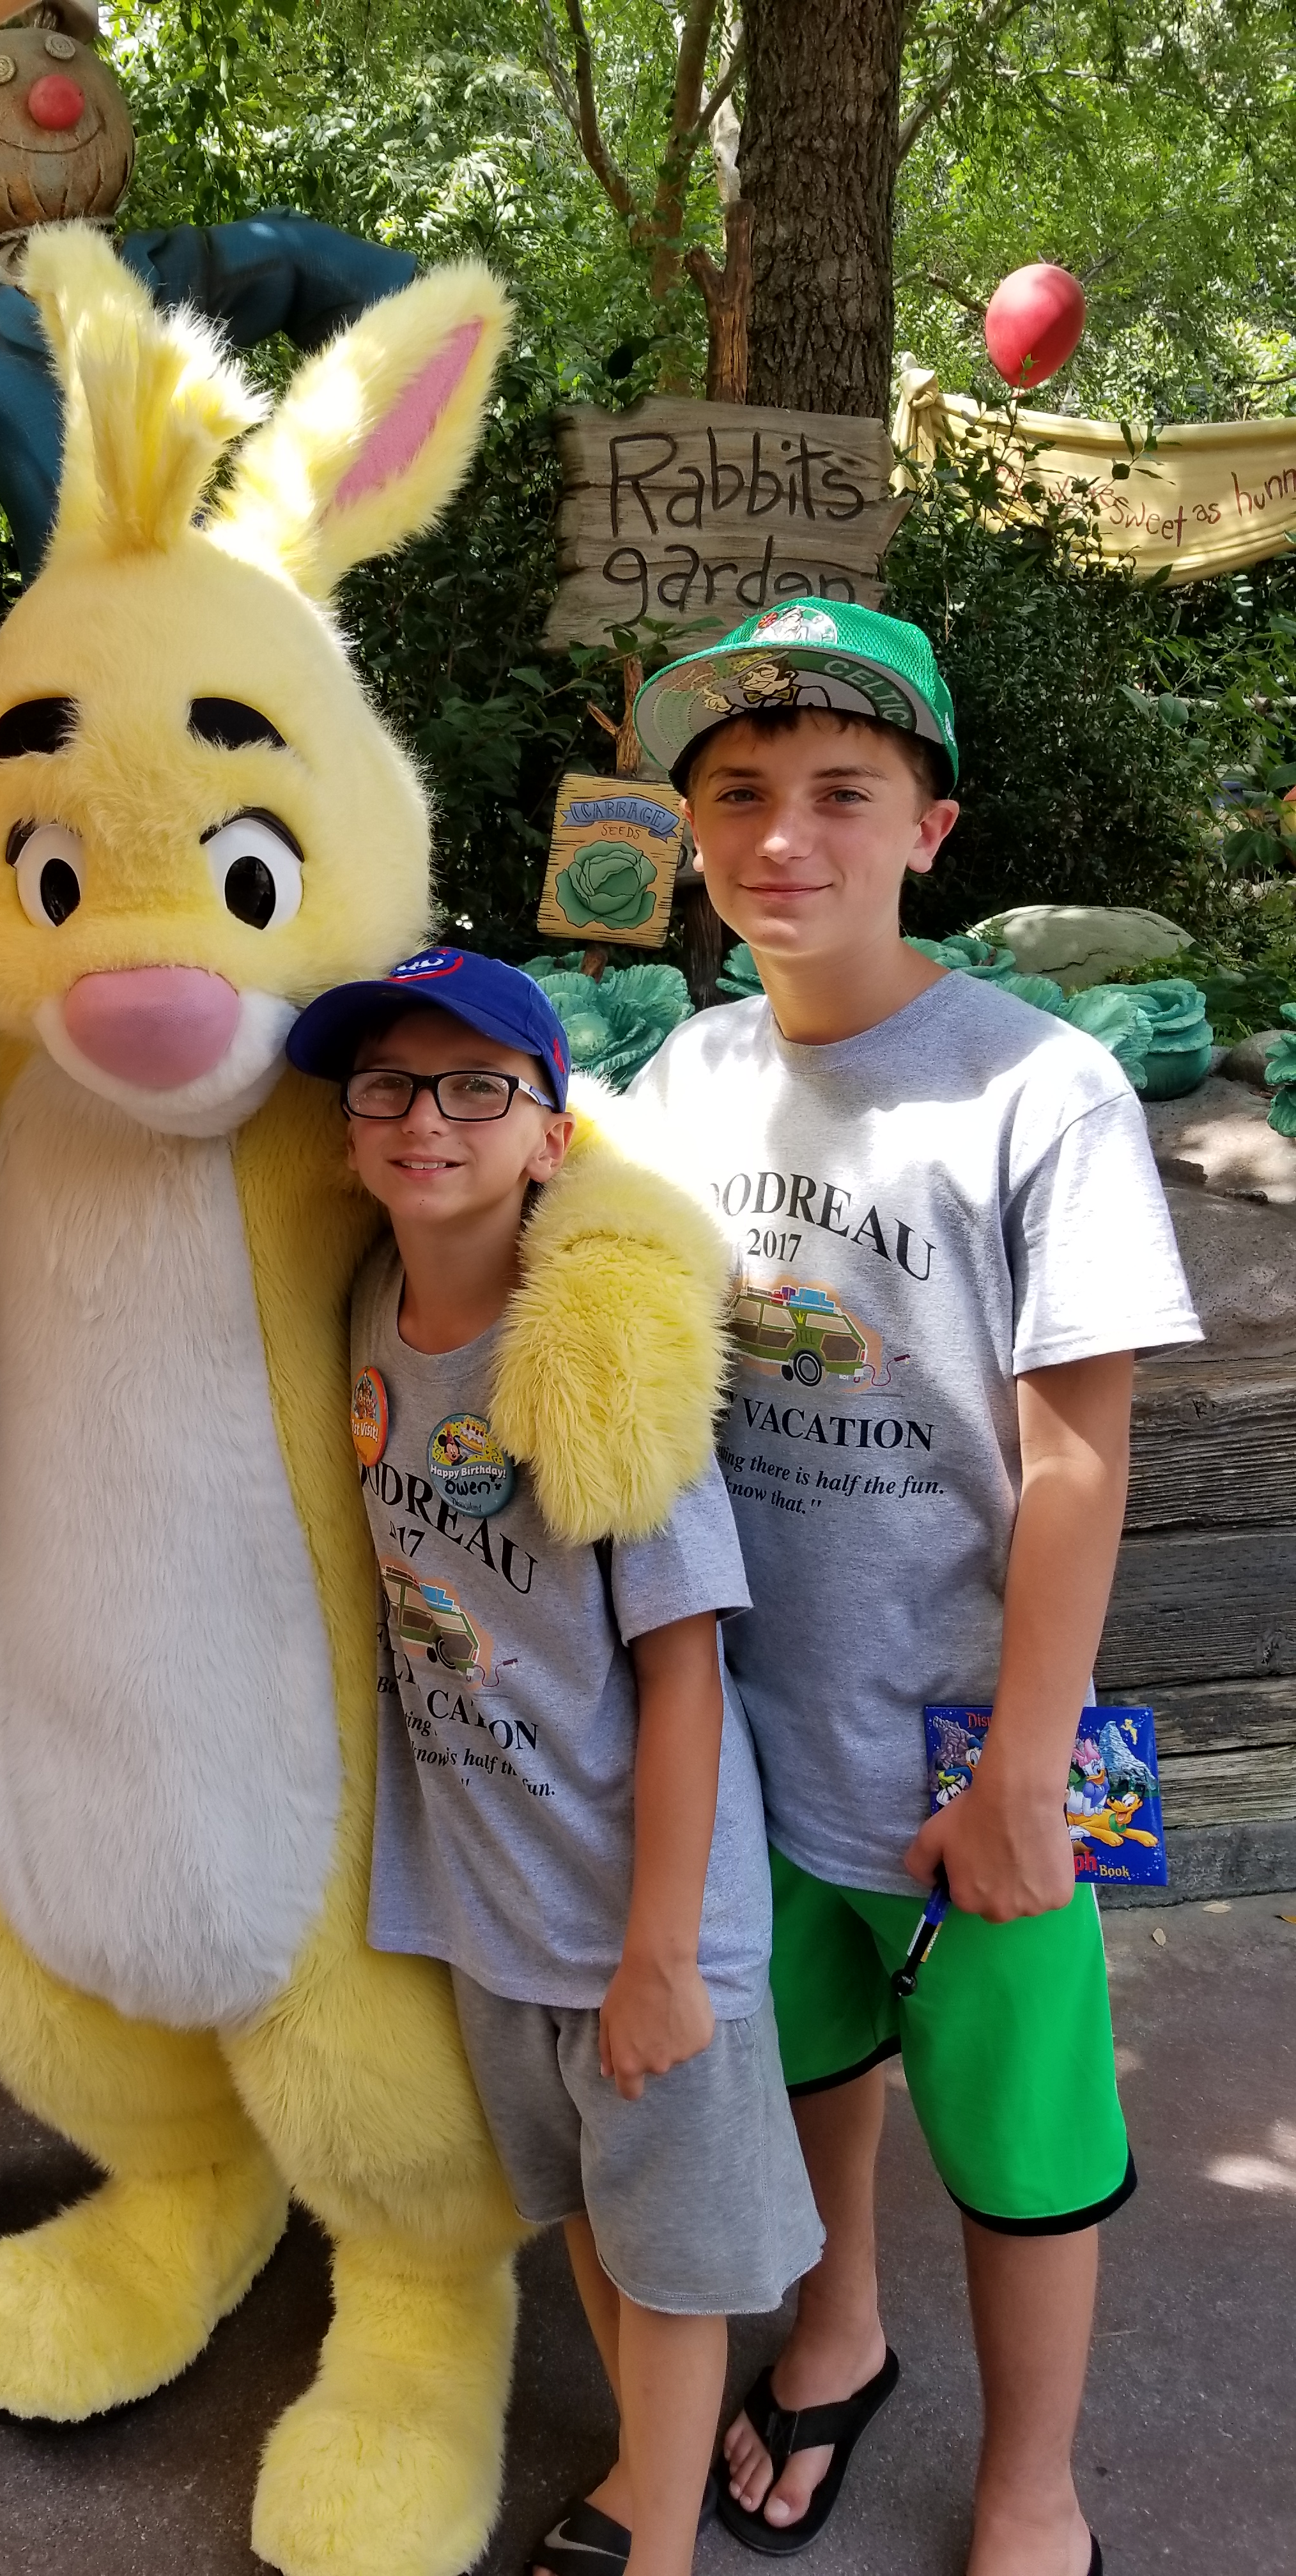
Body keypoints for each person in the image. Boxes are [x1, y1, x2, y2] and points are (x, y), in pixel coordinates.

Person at [629, 603, 1201, 2575]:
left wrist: (1031, 1760)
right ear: (691, 831)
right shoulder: (684, 1076)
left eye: (841, 794)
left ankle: (1035, 2484)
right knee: (809, 2059)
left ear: (931, 829)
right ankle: (839, 2330)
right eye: (738, 794)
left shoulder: (1042, 1088)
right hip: (748, 1729)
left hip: (994, 1742)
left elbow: (1079, 1455)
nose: (784, 837)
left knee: (1031, 2145)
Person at [285, 951, 822, 2576]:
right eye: (389, 1086)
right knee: (594, 2214)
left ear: (549, 1133)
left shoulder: (597, 1360)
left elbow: (685, 1672)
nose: (426, 1120)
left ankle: (661, 2546)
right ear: (347, 1131)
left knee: (674, 2270)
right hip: (495, 1907)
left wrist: (661, 1954)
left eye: (477, 1089)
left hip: (635, 1918)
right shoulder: (368, 1311)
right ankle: (651, 2477)